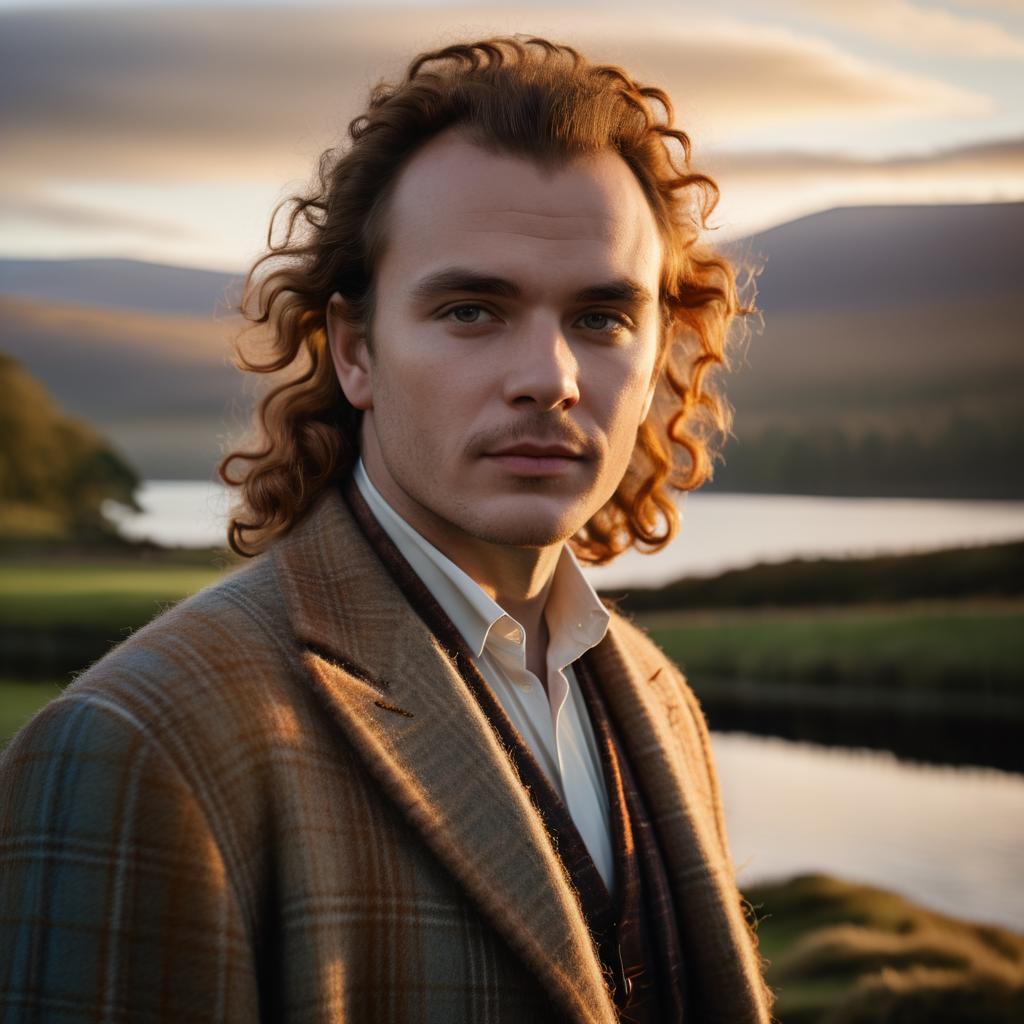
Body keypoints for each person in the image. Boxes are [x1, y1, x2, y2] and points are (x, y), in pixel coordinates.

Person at [0, 35, 775, 1023]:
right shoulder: (139, 744)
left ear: (663, 346)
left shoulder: (659, 699)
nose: (550, 376)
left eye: (601, 318)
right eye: (470, 310)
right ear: (355, 351)